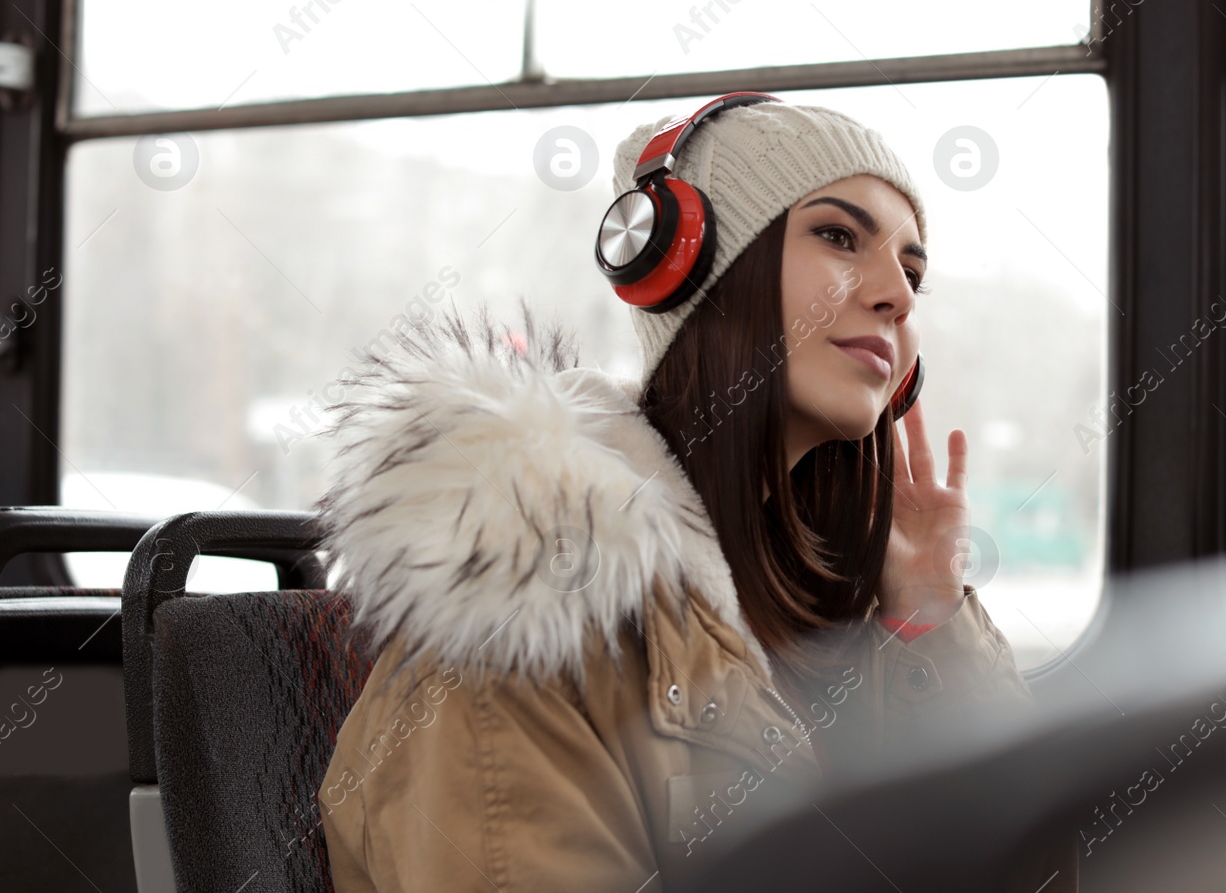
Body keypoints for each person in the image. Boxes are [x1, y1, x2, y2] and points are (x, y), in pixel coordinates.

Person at [313, 97, 1034, 892]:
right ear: (679, 266)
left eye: (913, 270)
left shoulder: (838, 612)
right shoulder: (517, 621)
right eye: (838, 235)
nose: (897, 292)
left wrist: (932, 620)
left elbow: (1030, 863)